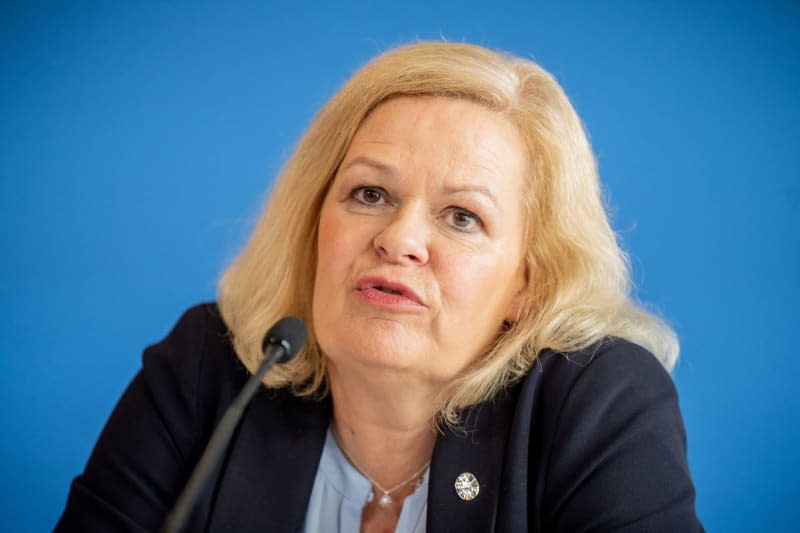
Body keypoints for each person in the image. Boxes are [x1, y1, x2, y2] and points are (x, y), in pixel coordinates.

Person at [55, 42, 703, 532]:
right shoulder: (211, 369)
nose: (399, 238)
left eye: (462, 216)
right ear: (314, 224)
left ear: (526, 286)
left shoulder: (597, 401)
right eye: (370, 193)